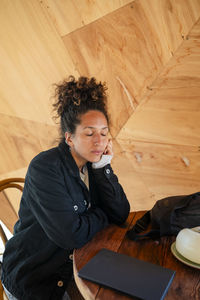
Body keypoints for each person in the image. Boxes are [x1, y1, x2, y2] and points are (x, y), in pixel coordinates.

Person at [1, 76, 130, 300]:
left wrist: (102, 168)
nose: (99, 141)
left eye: (104, 132)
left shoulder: (94, 164)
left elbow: (120, 213)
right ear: (69, 138)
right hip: (36, 279)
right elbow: (71, 236)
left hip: (77, 267)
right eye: (89, 133)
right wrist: (101, 214)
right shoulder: (45, 168)